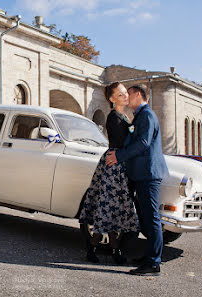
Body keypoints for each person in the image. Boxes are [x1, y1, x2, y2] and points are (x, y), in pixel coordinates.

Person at [106, 84, 169, 276]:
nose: (127, 97)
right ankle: (149, 256)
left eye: (129, 94)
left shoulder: (147, 115)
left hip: (148, 173)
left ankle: (153, 264)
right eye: (123, 94)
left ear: (139, 95)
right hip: (141, 173)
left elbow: (143, 143)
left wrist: (119, 156)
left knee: (152, 218)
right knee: (145, 218)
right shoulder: (140, 116)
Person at [78, 82, 140, 264]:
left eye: (125, 93)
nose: (125, 96)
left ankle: (111, 249)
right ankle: (98, 248)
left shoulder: (123, 115)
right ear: (112, 99)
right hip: (114, 165)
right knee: (108, 208)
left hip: (119, 163)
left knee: (114, 209)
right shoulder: (114, 117)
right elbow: (120, 142)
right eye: (121, 95)